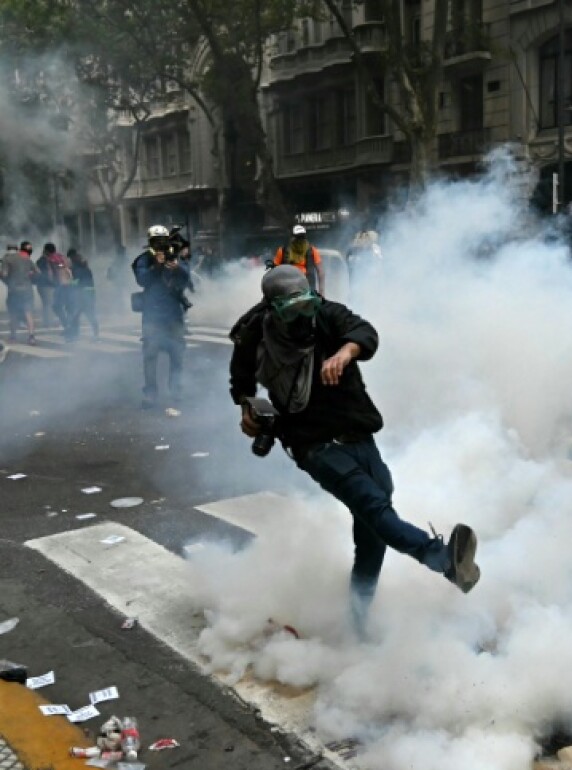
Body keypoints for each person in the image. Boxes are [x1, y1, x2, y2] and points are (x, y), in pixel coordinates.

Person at [228, 266, 480, 635]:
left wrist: (346, 352)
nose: (302, 317)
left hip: (358, 434)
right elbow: (241, 383)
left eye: (305, 306)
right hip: (312, 444)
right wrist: (248, 411)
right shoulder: (254, 334)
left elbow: (365, 332)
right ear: (272, 308)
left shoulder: (326, 315)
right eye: (291, 310)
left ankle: (358, 622)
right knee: (373, 508)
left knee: (373, 534)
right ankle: (441, 560)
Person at [133, 225, 193, 409]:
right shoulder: (144, 260)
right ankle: (150, 394)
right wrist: (157, 266)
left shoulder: (173, 257)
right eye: (156, 242)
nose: (160, 245)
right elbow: (142, 279)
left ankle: (176, 391)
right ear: (150, 242)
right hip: (152, 316)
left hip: (173, 315)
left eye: (162, 241)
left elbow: (186, 279)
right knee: (150, 356)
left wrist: (176, 268)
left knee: (177, 354)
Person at [273, 225, 326, 296]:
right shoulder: (282, 251)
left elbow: (321, 272)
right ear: (292, 238)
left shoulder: (312, 251)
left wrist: (321, 291)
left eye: (302, 237)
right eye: (297, 237)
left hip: (307, 289)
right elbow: (274, 271)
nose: (300, 240)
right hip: (288, 289)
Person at [2, 242, 37, 344]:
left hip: (14, 290)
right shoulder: (25, 258)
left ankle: (13, 337)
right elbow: (37, 271)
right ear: (17, 249)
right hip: (27, 289)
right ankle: (31, 337)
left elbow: (4, 274)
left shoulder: (6, 259)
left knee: (13, 313)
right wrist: (28, 277)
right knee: (28, 313)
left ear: (7, 249)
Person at [35, 242, 73, 334]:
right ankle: (54, 323)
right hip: (58, 285)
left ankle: (49, 322)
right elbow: (66, 267)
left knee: (50, 305)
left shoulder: (47, 260)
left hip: (49, 285)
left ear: (45, 250)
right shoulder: (58, 258)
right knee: (54, 305)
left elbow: (48, 272)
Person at [66, 249, 100, 340]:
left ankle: (74, 335)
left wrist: (69, 282)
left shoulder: (76, 269)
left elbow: (76, 283)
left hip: (82, 295)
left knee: (76, 315)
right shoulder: (86, 268)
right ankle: (96, 334)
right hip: (90, 294)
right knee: (90, 315)